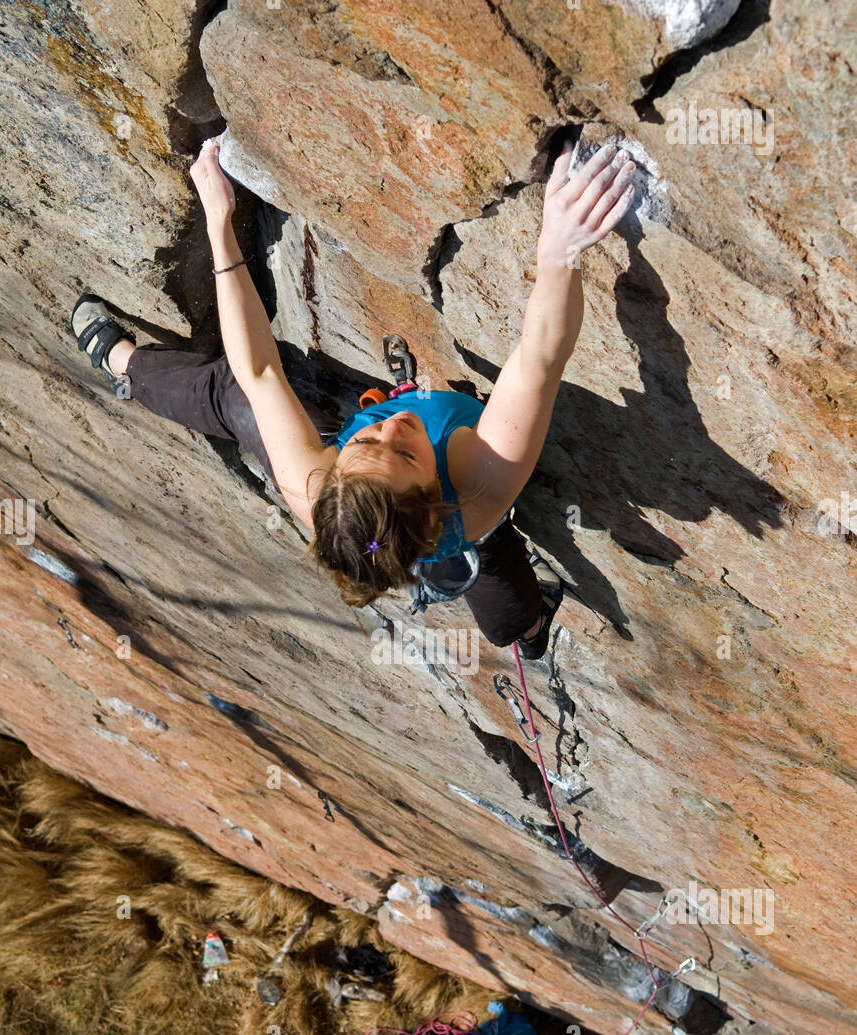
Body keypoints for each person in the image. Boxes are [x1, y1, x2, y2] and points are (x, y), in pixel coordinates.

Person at [71, 135, 635, 656]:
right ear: (435, 496)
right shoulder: (480, 482)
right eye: (405, 453)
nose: (392, 424)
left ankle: (120, 362)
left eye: (370, 440)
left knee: (236, 400)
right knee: (495, 565)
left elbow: (260, 372)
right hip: (467, 517)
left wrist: (220, 223)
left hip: (388, 507)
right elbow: (539, 356)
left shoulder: (317, 493)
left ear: (332, 473)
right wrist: (559, 248)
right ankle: (529, 632)